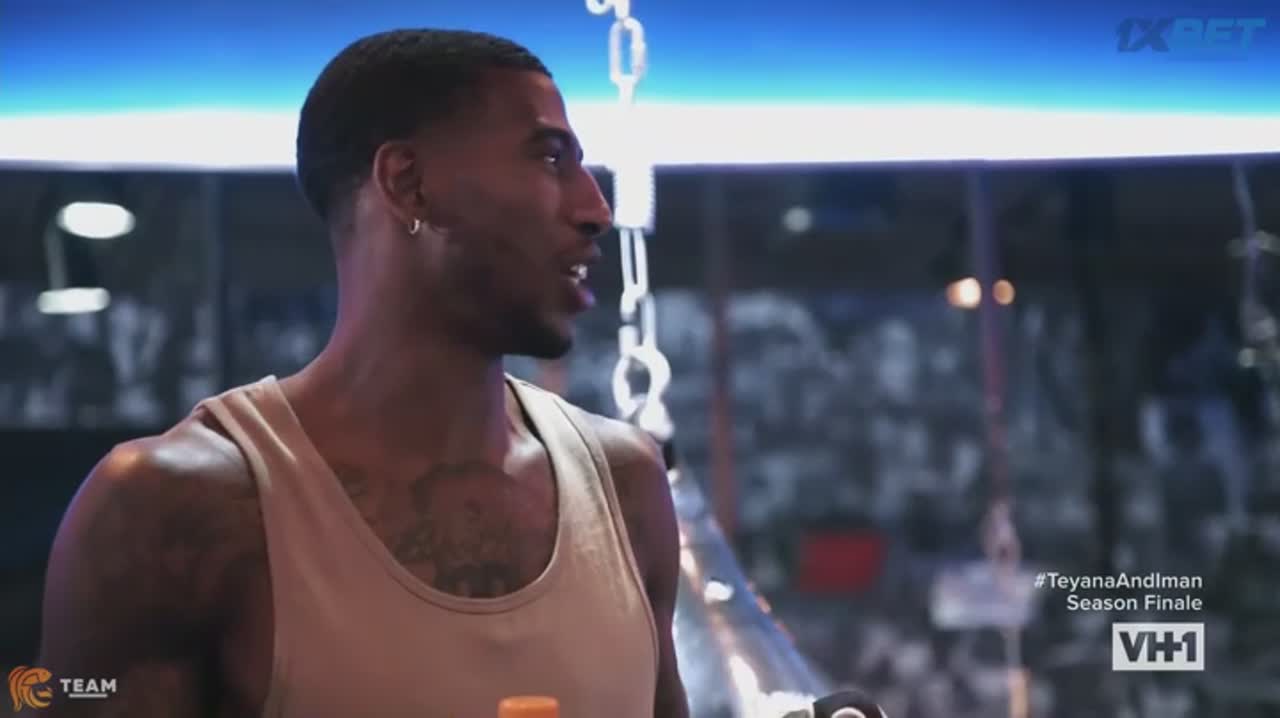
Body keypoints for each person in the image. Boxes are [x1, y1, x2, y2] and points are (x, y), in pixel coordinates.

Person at [37, 29, 689, 718]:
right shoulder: (176, 507)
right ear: (409, 184)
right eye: (550, 157)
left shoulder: (627, 485)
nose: (595, 209)